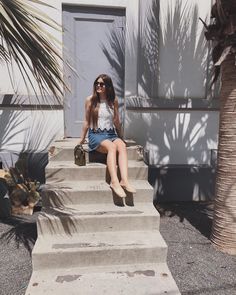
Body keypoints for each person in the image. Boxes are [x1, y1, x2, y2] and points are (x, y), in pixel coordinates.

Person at [78, 74, 136, 198]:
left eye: (102, 84)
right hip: (96, 135)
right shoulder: (90, 100)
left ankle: (124, 181)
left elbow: (116, 121)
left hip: (110, 133)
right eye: (97, 83)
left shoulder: (113, 100)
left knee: (121, 146)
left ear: (108, 86)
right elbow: (86, 121)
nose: (98, 86)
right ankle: (114, 182)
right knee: (111, 147)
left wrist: (121, 137)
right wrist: (82, 140)